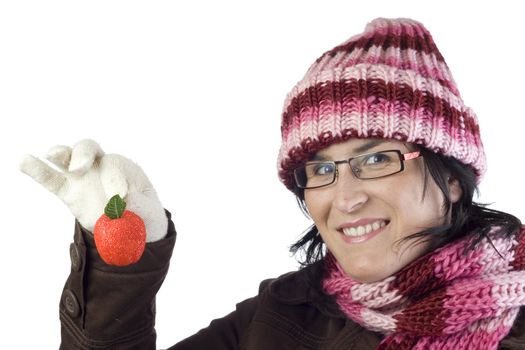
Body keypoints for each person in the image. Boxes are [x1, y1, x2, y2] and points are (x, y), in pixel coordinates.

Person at [20, 17, 524, 349]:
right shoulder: (280, 316)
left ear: (452, 180)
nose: (345, 197)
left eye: (375, 160)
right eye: (321, 170)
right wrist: (121, 258)